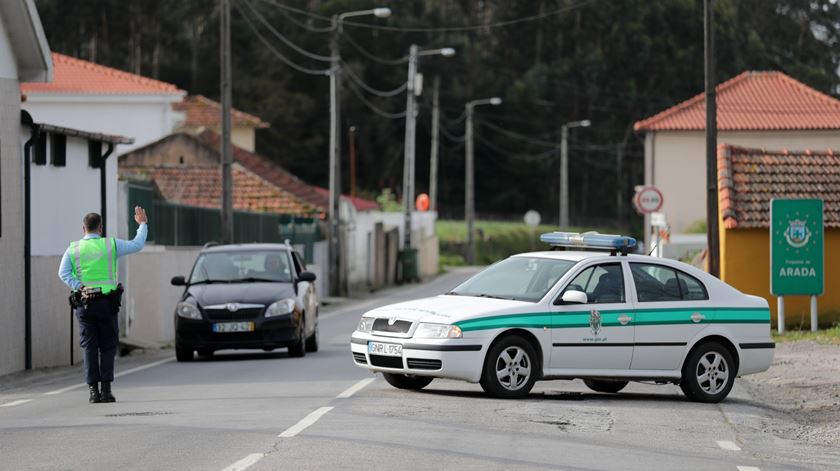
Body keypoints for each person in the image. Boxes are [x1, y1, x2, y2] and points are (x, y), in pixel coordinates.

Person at [58, 207, 148, 404]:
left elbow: (63, 273)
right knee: (107, 346)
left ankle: (93, 392)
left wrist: (80, 287)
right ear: (100, 228)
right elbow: (137, 244)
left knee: (89, 347)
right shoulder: (111, 245)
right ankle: (106, 391)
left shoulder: (73, 248)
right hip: (107, 304)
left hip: (85, 304)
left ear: (84, 229)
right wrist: (142, 224)